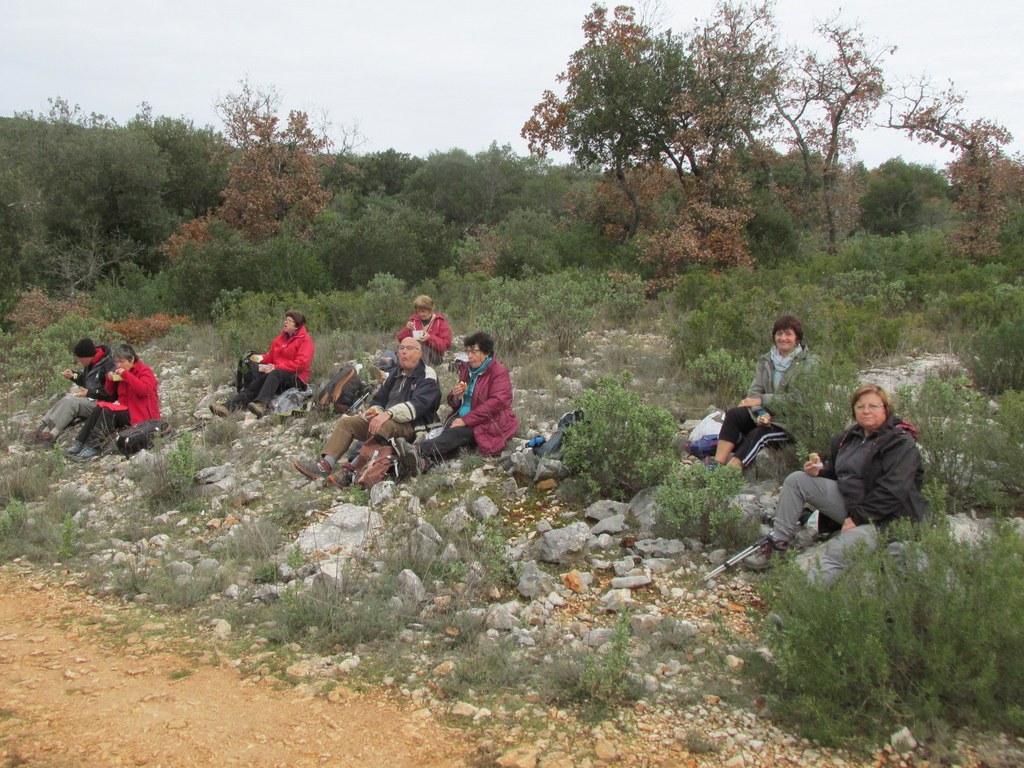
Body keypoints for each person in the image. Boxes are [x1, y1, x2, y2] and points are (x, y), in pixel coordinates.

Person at [747, 384, 927, 583]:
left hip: (886, 518)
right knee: (797, 480)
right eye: (860, 406)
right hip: (851, 504)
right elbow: (841, 472)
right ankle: (778, 542)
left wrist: (858, 518)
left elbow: (894, 490)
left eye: (873, 406)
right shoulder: (851, 438)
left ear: (886, 409)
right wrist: (820, 471)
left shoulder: (899, 443)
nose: (866, 410)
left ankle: (802, 602)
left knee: (838, 553)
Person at [293, 338, 441, 487]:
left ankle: (351, 471)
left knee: (385, 426)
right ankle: (324, 465)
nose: (403, 352)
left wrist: (388, 414)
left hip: (414, 425)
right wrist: (375, 411)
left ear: (419, 353)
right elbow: (379, 400)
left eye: (409, 348)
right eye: (401, 348)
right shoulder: (396, 373)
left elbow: (420, 404)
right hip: (387, 420)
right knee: (347, 422)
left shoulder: (427, 374)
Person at [396, 332, 519, 474]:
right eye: (468, 352)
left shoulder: (498, 372)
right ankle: (424, 462)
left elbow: (497, 403)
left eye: (474, 351)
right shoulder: (467, 369)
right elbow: (454, 402)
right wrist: (456, 397)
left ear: (486, 353)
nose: (470, 356)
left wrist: (466, 420)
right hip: (462, 416)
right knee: (449, 437)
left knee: (455, 435)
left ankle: (417, 450)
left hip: (489, 421)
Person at [711, 315, 815, 469]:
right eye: (779, 334)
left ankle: (729, 474)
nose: (783, 338)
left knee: (760, 433)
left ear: (797, 338)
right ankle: (716, 465)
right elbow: (754, 391)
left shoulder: (809, 364)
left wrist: (762, 401)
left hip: (792, 423)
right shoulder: (766, 360)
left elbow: (798, 399)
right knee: (734, 414)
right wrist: (760, 413)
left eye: (788, 334)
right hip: (767, 415)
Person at [210, 310, 315, 419]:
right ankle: (228, 407)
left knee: (275, 373)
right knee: (256, 384)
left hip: (297, 378)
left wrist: (276, 367)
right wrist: (258, 358)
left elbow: (302, 364)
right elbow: (271, 357)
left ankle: (261, 404)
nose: (285, 322)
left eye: (289, 321)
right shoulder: (280, 339)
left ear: (297, 325)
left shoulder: (305, 340)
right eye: (285, 319)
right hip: (277, 375)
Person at [67, 344, 161, 460]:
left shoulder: (144, 371)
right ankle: (80, 442)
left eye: (121, 362)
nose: (118, 365)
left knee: (108, 411)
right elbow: (110, 393)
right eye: (116, 362)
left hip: (141, 414)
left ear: (131, 359)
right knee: (99, 408)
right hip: (126, 409)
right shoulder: (121, 372)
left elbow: (144, 391)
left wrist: (126, 375)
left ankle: (93, 446)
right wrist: (110, 379)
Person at [27, 338, 116, 446]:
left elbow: (109, 393)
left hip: (104, 405)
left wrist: (89, 393)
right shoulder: (92, 363)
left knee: (71, 402)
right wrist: (73, 376)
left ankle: (52, 435)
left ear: (87, 356)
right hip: (92, 399)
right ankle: (44, 428)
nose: (79, 361)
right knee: (66, 398)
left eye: (80, 358)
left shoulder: (108, 366)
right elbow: (87, 380)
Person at [396, 295, 451, 367]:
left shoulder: (440, 322)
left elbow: (446, 345)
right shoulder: (414, 320)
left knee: (421, 349)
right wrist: (407, 329)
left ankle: (415, 371)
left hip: (434, 356)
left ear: (430, 310)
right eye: (418, 311)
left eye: (423, 311)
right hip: (414, 352)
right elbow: (400, 339)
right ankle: (389, 370)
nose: (421, 314)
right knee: (399, 352)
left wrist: (430, 338)